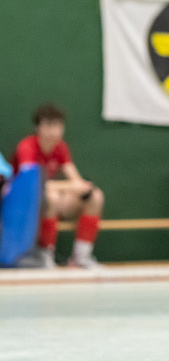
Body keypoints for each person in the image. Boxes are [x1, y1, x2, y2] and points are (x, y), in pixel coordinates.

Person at [12, 104, 104, 268]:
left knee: (95, 196)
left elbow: (76, 182)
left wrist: (80, 187)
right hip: (23, 205)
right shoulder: (27, 147)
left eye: (57, 125)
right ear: (37, 127)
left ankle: (81, 258)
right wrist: (68, 186)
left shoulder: (61, 148)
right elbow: (32, 185)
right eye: (48, 125)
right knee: (51, 196)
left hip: (48, 200)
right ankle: (45, 255)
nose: (53, 131)